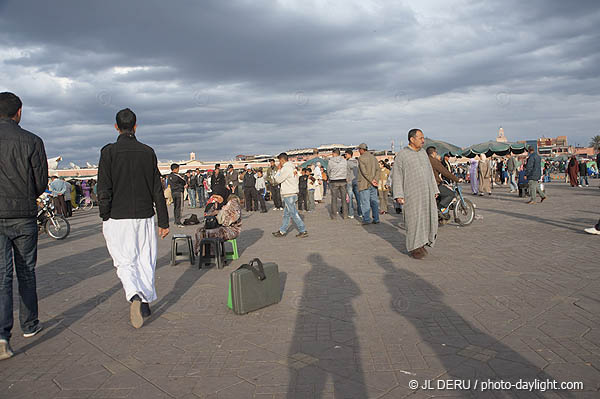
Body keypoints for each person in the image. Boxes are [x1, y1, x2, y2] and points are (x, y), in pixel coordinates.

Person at [97, 108, 169, 329]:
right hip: (145, 215)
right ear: (136, 126)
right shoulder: (148, 152)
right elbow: (157, 189)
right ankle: (145, 302)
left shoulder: (108, 152)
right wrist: (164, 222)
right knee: (145, 260)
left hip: (117, 216)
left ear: (116, 127)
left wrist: (105, 214)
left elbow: (103, 187)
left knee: (124, 261)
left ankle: (134, 295)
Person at [0, 92, 48, 360]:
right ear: (19, 112)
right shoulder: (32, 140)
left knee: (2, 276)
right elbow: (40, 182)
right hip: (24, 214)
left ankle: (2, 335)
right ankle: (29, 325)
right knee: (26, 271)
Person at [391, 129, 439, 259]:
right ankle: (414, 247)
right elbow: (397, 176)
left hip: (426, 193)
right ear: (412, 139)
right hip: (411, 194)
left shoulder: (423, 153)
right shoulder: (402, 155)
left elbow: (430, 173)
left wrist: (434, 189)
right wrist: (399, 195)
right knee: (413, 220)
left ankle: (423, 243)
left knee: (426, 218)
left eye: (423, 138)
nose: (423, 140)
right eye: (420, 138)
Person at [272, 153, 308, 238]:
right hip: (293, 191)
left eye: (279, 161)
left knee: (293, 213)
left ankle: (303, 230)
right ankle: (282, 230)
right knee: (287, 214)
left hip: (288, 193)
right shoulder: (292, 167)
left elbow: (278, 179)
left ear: (282, 160)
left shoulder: (286, 168)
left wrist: (279, 170)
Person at [426, 146, 460, 212]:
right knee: (451, 194)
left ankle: (441, 214)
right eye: (436, 152)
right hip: (435, 184)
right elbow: (445, 172)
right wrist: (456, 179)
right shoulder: (434, 161)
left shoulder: (425, 160)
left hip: (427, 184)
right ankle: (440, 210)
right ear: (433, 153)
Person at [357, 143, 380, 225]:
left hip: (364, 184)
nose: (358, 151)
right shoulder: (373, 158)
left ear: (362, 149)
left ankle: (366, 219)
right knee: (374, 202)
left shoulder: (361, 158)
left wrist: (371, 180)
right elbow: (378, 170)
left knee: (365, 202)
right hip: (374, 184)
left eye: (359, 149)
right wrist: (375, 180)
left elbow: (364, 172)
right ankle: (376, 218)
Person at [327, 149, 348, 219]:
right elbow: (346, 170)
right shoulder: (344, 161)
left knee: (334, 198)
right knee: (344, 199)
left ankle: (334, 215)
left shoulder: (330, 161)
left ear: (334, 153)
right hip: (343, 180)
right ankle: (345, 215)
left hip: (334, 181)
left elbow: (328, 171)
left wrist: (330, 177)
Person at [344, 149, 362, 219]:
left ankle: (351, 213)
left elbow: (346, 172)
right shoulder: (357, 162)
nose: (345, 156)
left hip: (349, 181)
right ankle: (360, 213)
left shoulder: (347, 162)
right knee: (358, 198)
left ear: (349, 154)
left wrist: (346, 178)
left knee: (350, 199)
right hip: (356, 181)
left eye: (346, 154)